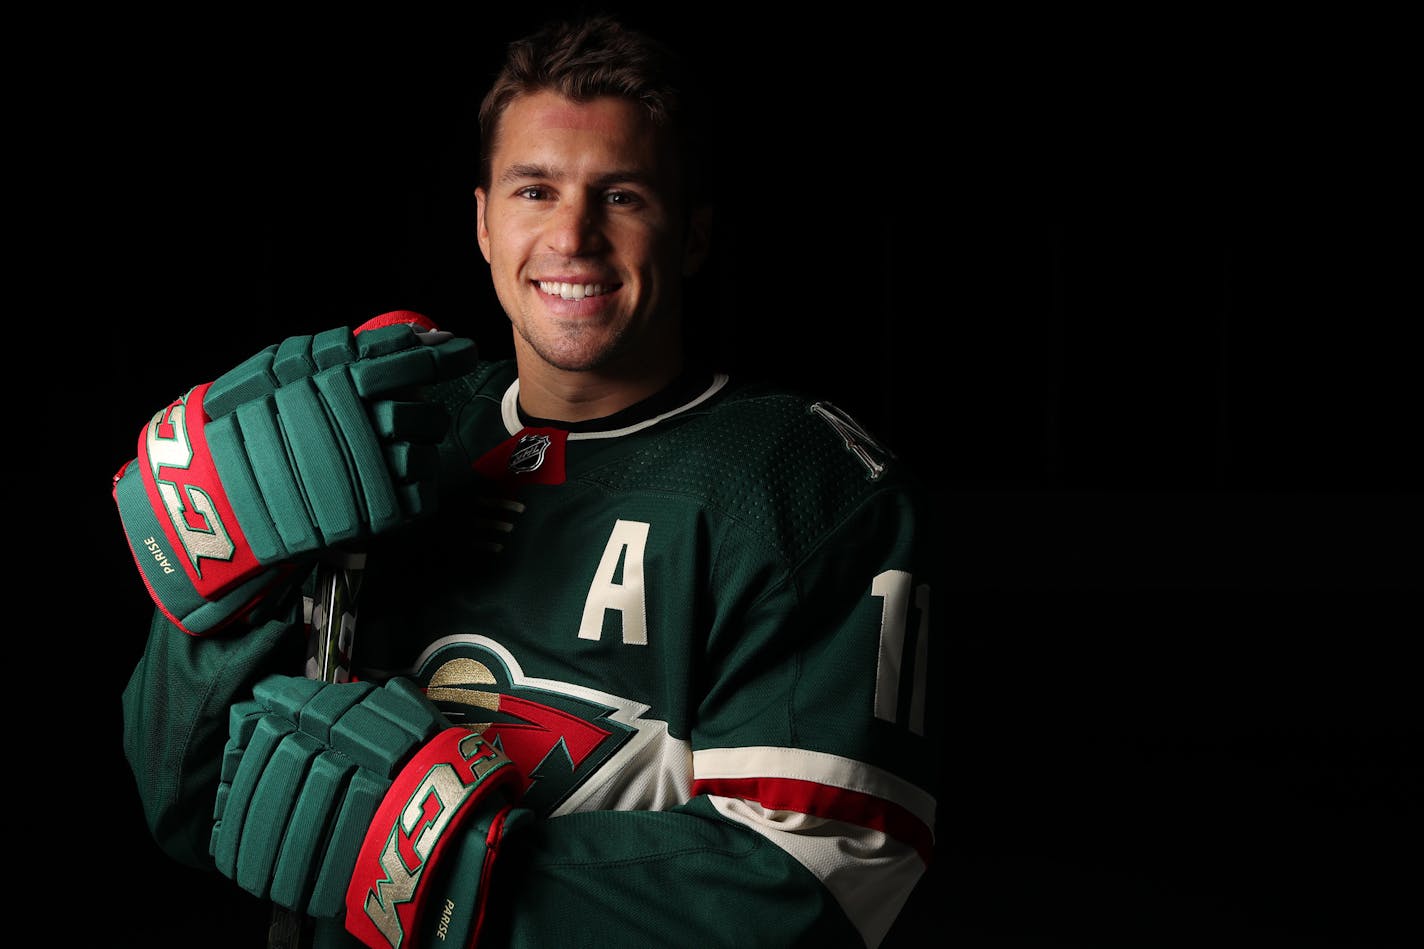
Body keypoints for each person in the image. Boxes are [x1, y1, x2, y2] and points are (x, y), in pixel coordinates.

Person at [113, 13, 941, 949]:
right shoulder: (376, 436)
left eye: (621, 196)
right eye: (536, 189)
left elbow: (816, 887)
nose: (573, 237)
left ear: (696, 233)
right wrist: (221, 586)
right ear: (481, 220)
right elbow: (190, 812)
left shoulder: (800, 486)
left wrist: (458, 874)